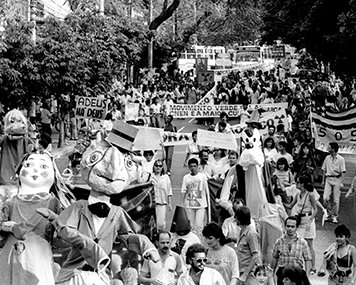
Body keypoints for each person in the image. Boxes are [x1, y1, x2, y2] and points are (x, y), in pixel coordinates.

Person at [285, 173, 318, 275]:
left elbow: (315, 209)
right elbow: (290, 206)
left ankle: (313, 266)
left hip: (308, 219)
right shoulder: (298, 195)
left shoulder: (310, 194)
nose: (296, 184)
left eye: (298, 182)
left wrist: (311, 219)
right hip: (299, 220)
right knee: (297, 241)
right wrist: (280, 202)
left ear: (303, 184)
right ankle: (299, 265)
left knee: (309, 243)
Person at [271, 216, 312, 285]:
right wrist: (272, 274)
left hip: (296, 274)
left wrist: (307, 275)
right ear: (285, 226)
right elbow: (274, 258)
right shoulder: (279, 241)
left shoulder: (302, 242)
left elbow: (308, 259)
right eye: (288, 226)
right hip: (282, 273)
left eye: (292, 227)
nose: (290, 229)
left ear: (296, 227)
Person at [181, 158, 210, 240]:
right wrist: (182, 204)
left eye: (194, 166)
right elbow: (183, 191)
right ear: (189, 167)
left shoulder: (203, 176)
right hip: (189, 205)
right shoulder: (186, 177)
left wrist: (208, 204)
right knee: (191, 227)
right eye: (191, 166)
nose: (193, 168)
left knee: (199, 226)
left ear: (198, 166)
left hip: (201, 205)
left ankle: (199, 243)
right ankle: (193, 243)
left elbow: (207, 190)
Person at [235, 206, 261, 285]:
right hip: (240, 271)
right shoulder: (241, 232)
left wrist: (245, 274)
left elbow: (256, 255)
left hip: (249, 273)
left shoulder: (251, 234)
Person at [321, 142, 346, 224]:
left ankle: (334, 216)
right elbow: (324, 170)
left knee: (336, 200)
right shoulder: (327, 158)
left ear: (333, 149)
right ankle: (328, 213)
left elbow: (343, 171)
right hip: (328, 178)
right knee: (325, 198)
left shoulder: (341, 159)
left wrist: (342, 182)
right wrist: (323, 180)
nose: (328, 149)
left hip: (337, 178)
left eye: (329, 148)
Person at [150, 159, 172, 231]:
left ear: (162, 167)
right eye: (156, 165)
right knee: (151, 223)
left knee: (161, 223)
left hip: (162, 203)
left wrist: (170, 203)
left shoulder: (165, 177)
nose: (158, 167)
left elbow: (169, 191)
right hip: (152, 204)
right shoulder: (150, 177)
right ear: (153, 166)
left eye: (160, 166)